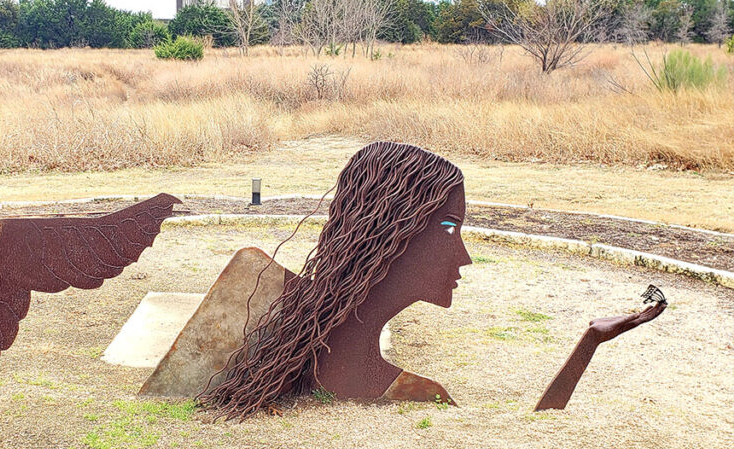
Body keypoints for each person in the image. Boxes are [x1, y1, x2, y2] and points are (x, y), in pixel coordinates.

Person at [198, 141, 665, 420]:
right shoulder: (412, 393)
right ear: (388, 231)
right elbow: (516, 437)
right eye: (448, 228)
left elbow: (521, 433)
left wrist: (591, 340)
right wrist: (590, 343)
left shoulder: (283, 317)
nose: (463, 256)